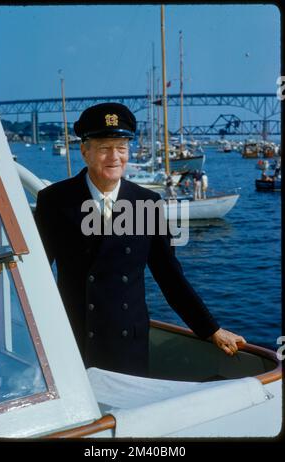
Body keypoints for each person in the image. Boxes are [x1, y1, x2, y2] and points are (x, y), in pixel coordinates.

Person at [35, 102, 246, 377]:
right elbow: (37, 273)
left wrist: (211, 329)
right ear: (85, 151)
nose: (114, 157)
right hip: (74, 338)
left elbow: (170, 277)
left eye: (121, 148)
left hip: (127, 344)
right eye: (104, 148)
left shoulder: (147, 203)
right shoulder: (56, 201)